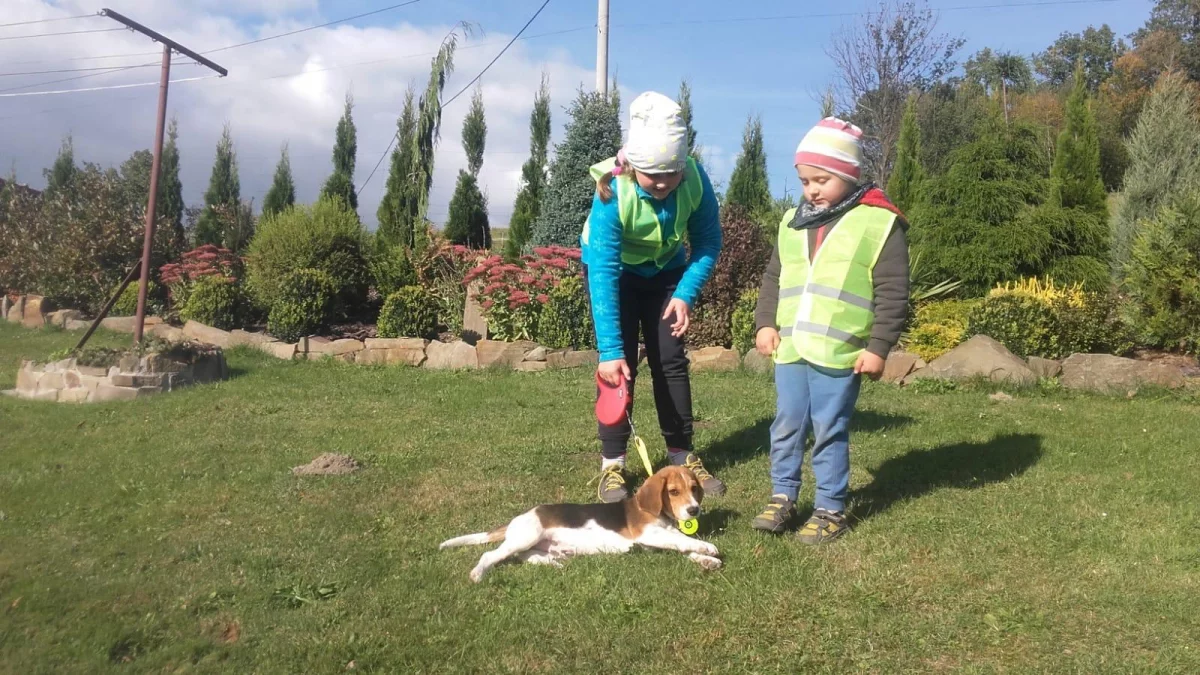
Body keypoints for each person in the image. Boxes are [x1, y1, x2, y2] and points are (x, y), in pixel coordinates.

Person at [750, 118, 910, 543]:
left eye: (822, 179)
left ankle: (830, 508)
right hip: (792, 349)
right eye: (805, 181)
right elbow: (773, 277)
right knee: (786, 423)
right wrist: (765, 323)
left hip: (840, 353)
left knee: (828, 427)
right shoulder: (792, 222)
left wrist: (878, 347)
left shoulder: (878, 223)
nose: (812, 190)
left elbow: (894, 293)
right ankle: (783, 496)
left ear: (849, 174)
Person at [580, 91, 724, 503]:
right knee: (618, 366)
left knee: (671, 361)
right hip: (615, 272)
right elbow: (605, 271)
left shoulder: (694, 180)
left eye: (671, 173)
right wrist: (609, 350)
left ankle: (683, 455)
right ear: (633, 165)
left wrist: (685, 293)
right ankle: (612, 466)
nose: (662, 183)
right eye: (651, 174)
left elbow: (709, 240)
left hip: (666, 271)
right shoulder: (612, 190)